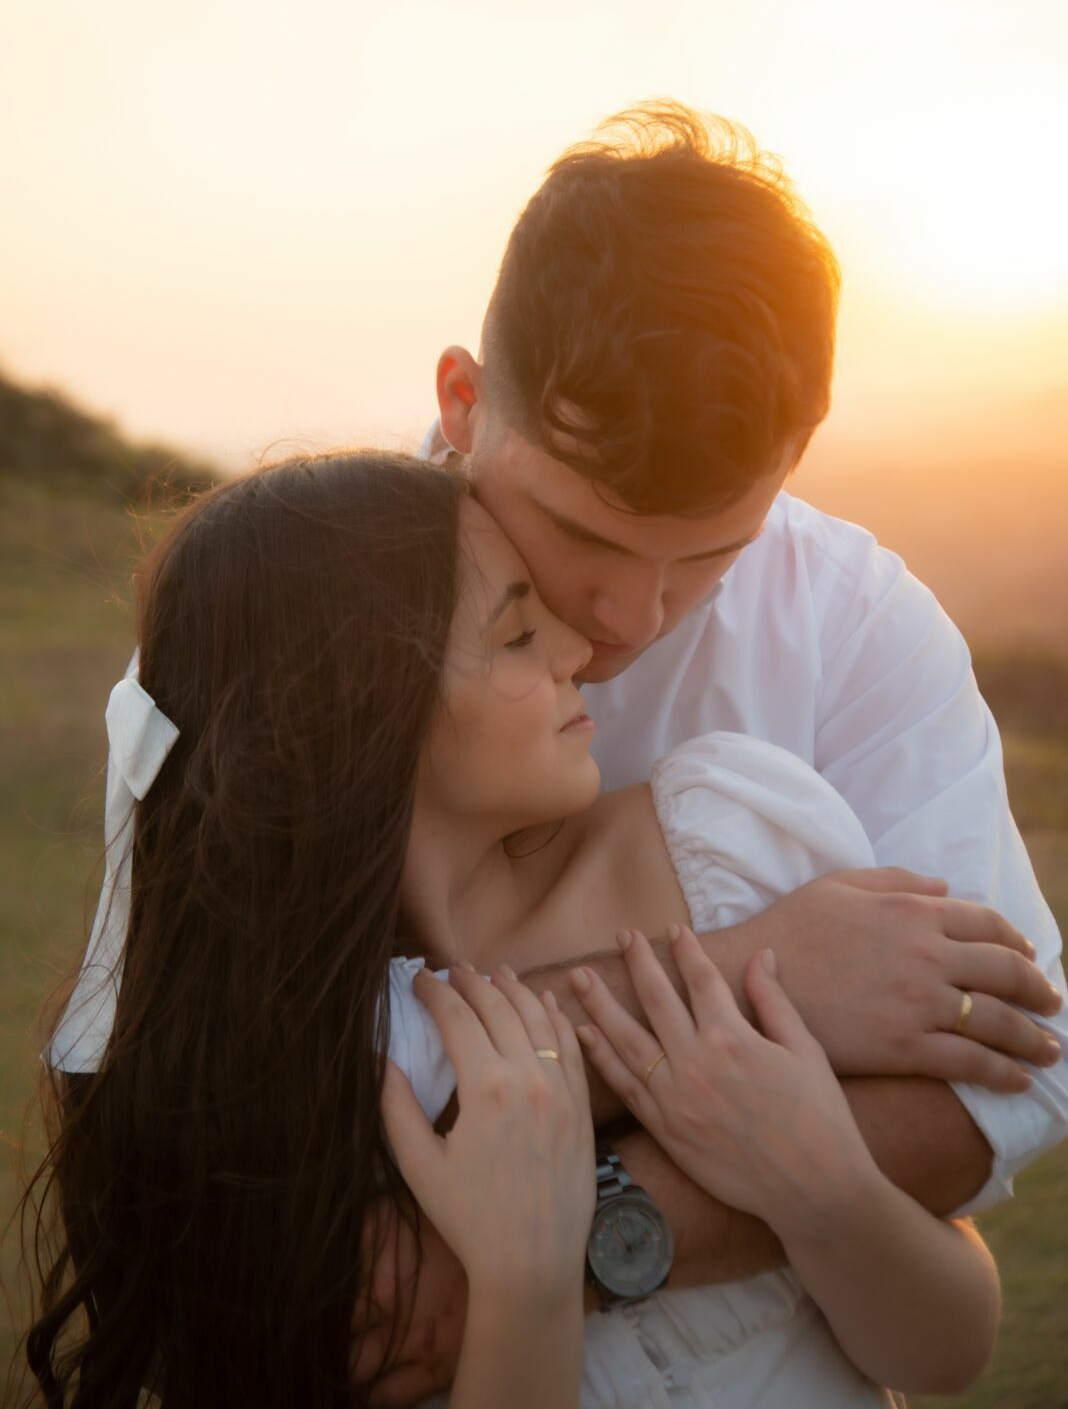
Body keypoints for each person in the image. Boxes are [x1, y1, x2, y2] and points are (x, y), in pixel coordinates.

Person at [27, 452, 1009, 1409]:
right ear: (365, 715)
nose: (579, 651)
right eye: (515, 635)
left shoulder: (725, 840)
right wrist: (526, 1284)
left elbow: (950, 1349)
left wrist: (824, 1185)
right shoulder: (290, 1085)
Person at [354, 100, 1068, 1401]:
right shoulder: (295, 611)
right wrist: (755, 970)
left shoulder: (859, 627)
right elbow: (159, 1062)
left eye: (709, 557)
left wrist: (556, 1243)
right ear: (463, 401)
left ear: (796, 458)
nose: (629, 619)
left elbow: (1005, 1081)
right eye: (588, 537)